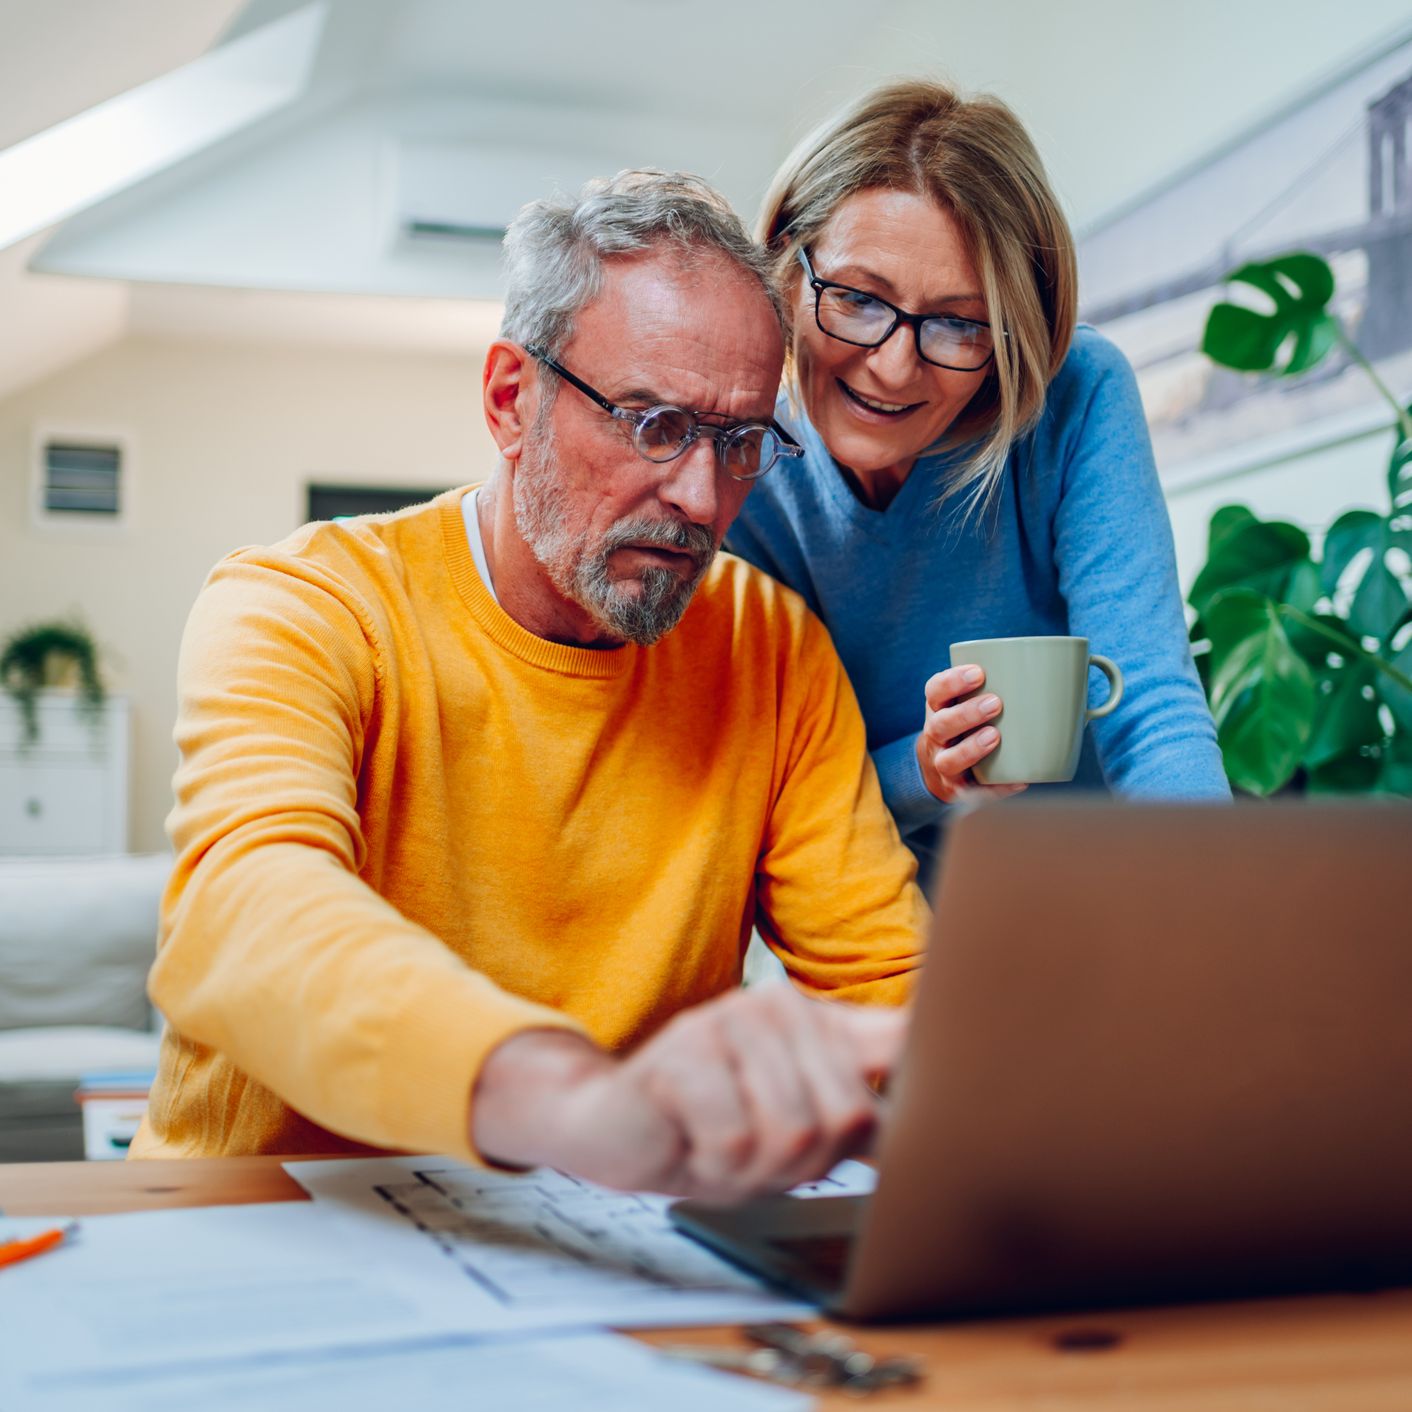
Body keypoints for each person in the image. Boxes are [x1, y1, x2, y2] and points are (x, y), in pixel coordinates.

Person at [131, 171, 927, 1203]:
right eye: (652, 423)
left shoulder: (770, 647)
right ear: (512, 397)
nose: (698, 495)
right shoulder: (305, 602)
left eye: (738, 443)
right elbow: (246, 910)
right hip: (264, 1225)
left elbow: (888, 992)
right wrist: (579, 1103)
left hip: (600, 1250)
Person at [726, 80, 1229, 882]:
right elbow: (772, 807)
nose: (893, 368)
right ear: (786, 267)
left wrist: (1225, 907)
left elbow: (1151, 710)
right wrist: (921, 771)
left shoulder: (1075, 397)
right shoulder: (738, 472)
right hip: (884, 939)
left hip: (1105, 901)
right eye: (857, 299)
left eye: (959, 323)